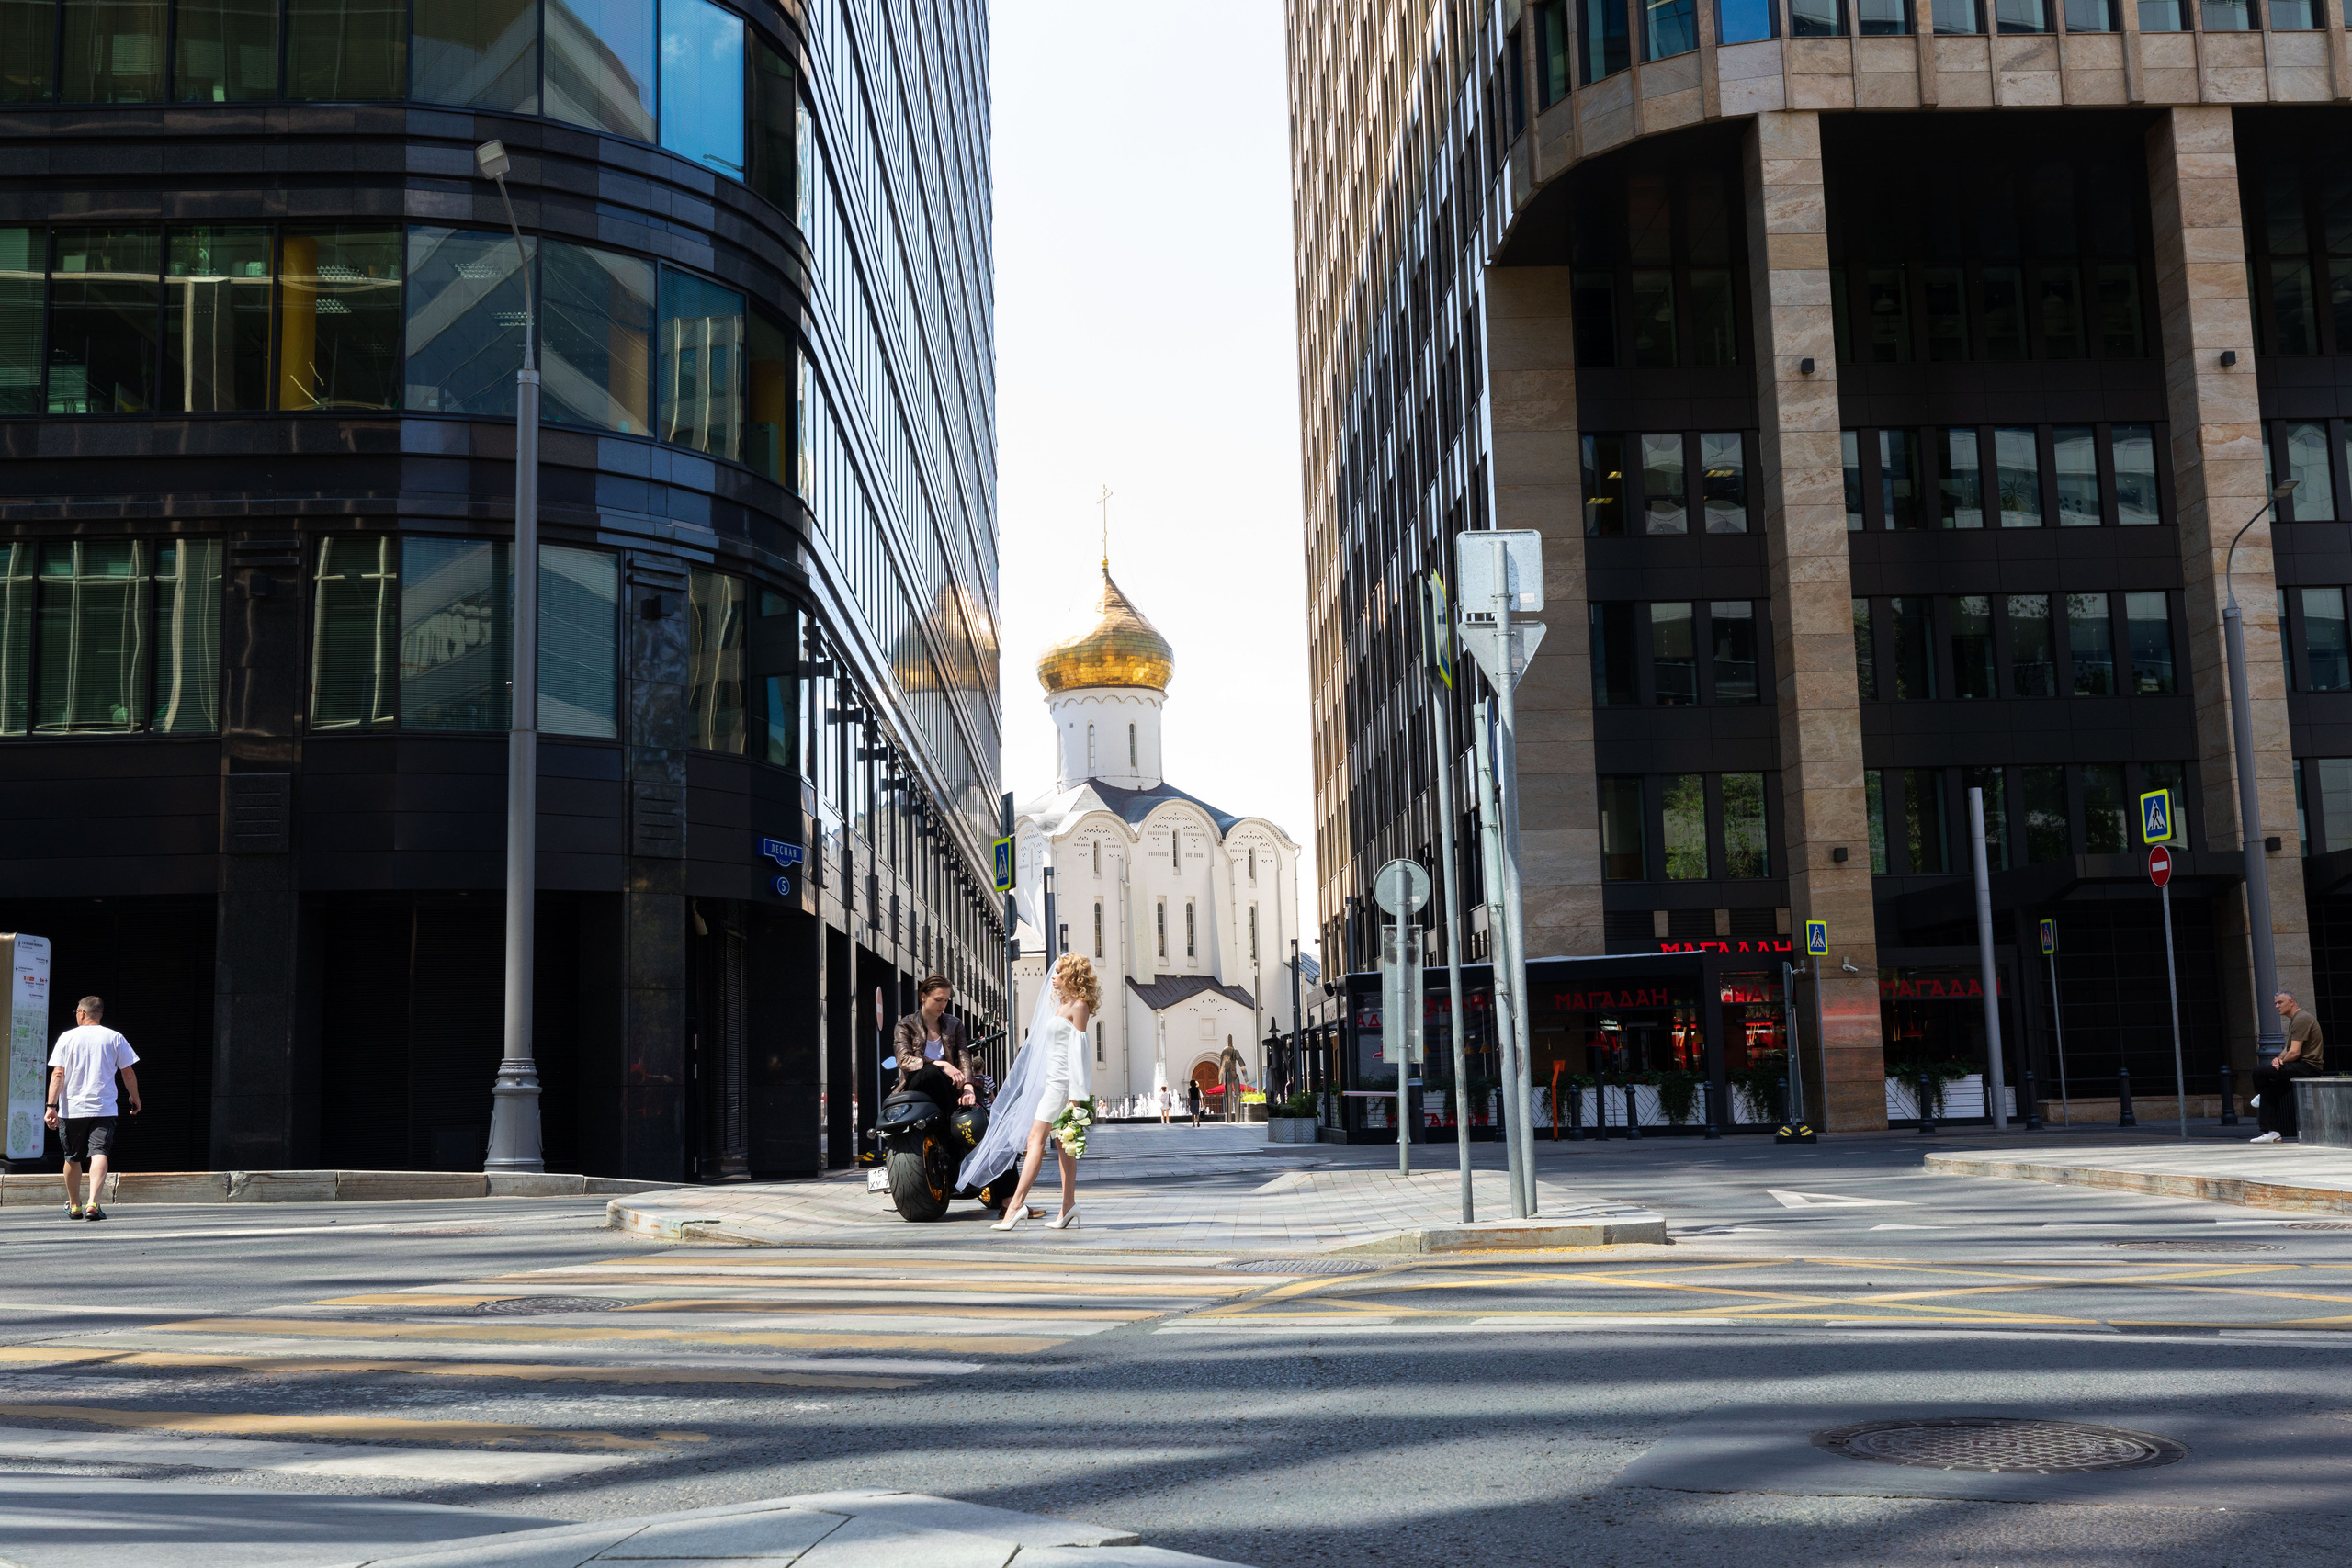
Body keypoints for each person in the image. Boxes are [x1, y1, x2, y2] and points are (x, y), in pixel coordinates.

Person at [991, 953, 1096, 1232]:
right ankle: (1068, 1205)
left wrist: (1076, 1098)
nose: (1054, 976)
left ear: (1072, 975)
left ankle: (1016, 1205)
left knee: (1034, 1139)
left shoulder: (1079, 1006)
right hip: (1052, 1083)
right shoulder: (1062, 1006)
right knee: (1063, 1146)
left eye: (1059, 972)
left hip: (1062, 1086)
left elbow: (1079, 1054)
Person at [43, 997, 140, 1223]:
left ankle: (75, 1205)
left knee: (72, 1157)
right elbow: (127, 1072)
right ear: (100, 1014)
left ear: (81, 1013)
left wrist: (51, 1106)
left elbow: (58, 1073)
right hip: (103, 1108)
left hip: (72, 1109)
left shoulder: (67, 1037)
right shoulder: (114, 1037)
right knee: (99, 1153)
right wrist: (135, 1097)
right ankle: (93, 1204)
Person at [892, 975, 975, 1116]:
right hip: (917, 1082)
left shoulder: (955, 1024)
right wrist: (942, 1064)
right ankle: (952, 1115)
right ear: (923, 997)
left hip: (948, 1083)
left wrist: (968, 1086)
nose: (943, 1005)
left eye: (946, 1000)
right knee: (931, 1071)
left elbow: (964, 1057)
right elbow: (904, 1060)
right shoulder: (905, 1025)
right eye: (938, 1000)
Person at [2250, 991, 2324, 1143]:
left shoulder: (2301, 1019)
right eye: (2275, 1003)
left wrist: (2282, 1062)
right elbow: (2288, 1049)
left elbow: (2295, 1052)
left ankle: (2260, 1095)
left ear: (2291, 1002)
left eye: (2280, 1002)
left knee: (2258, 1071)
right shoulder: (2295, 1020)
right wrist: (2278, 1059)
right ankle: (2273, 1133)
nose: (2277, 1006)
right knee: (2269, 1091)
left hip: (2308, 1067)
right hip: (2299, 1065)